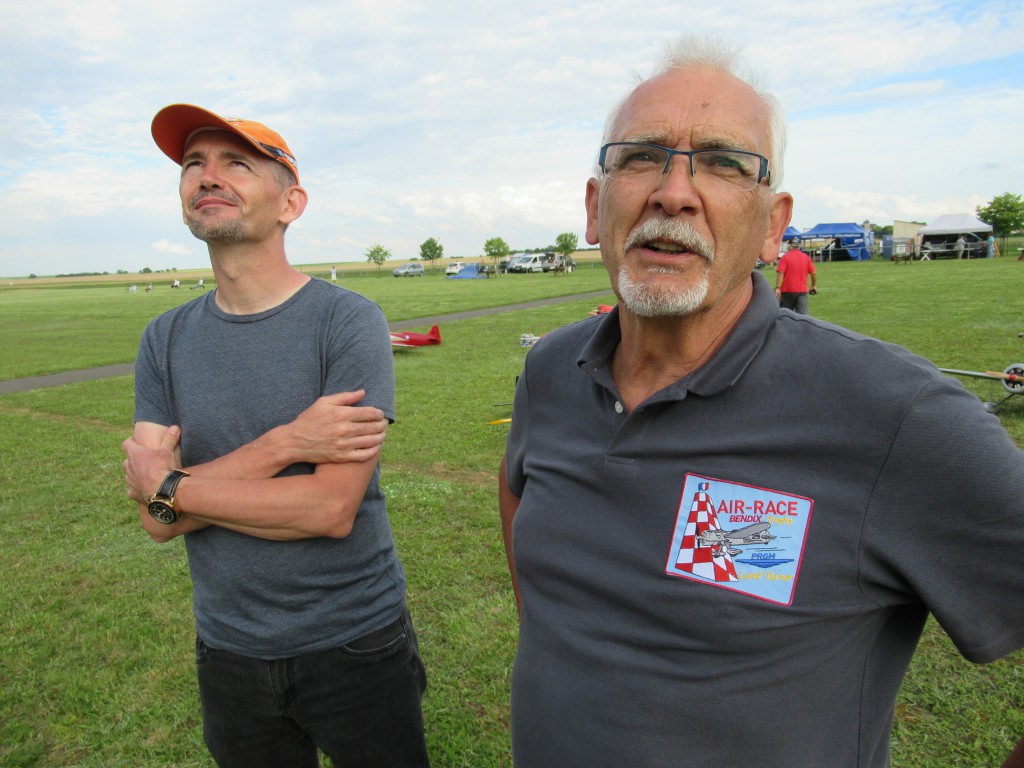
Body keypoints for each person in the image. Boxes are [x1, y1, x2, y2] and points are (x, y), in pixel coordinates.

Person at [499, 35, 1024, 768]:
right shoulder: (552, 368)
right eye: (641, 155)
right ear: (596, 207)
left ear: (773, 225)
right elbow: (521, 502)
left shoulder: (894, 416)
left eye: (722, 162)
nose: (672, 191)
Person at [122, 104, 429, 768]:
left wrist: (176, 489)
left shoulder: (348, 324)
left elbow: (328, 509)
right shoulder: (163, 339)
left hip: (355, 642)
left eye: (236, 162)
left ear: (292, 202)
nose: (208, 176)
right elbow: (157, 520)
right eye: (194, 164)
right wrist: (287, 444)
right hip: (227, 649)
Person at [774, 239, 817, 314]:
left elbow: (781, 273)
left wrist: (777, 287)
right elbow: (813, 273)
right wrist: (813, 285)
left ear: (789, 246)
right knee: (803, 315)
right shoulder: (806, 257)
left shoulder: (785, 257)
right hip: (802, 290)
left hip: (788, 291)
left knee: (785, 315)